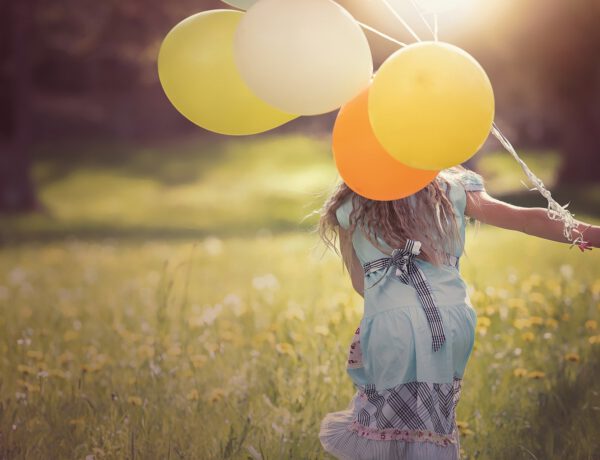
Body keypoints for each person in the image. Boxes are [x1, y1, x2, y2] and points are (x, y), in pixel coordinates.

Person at [316, 166, 599, 460]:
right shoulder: (451, 186)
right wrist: (588, 233)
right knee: (434, 422)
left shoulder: (352, 202)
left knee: (388, 425)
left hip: (392, 322)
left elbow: (361, 284)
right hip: (451, 317)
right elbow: (523, 218)